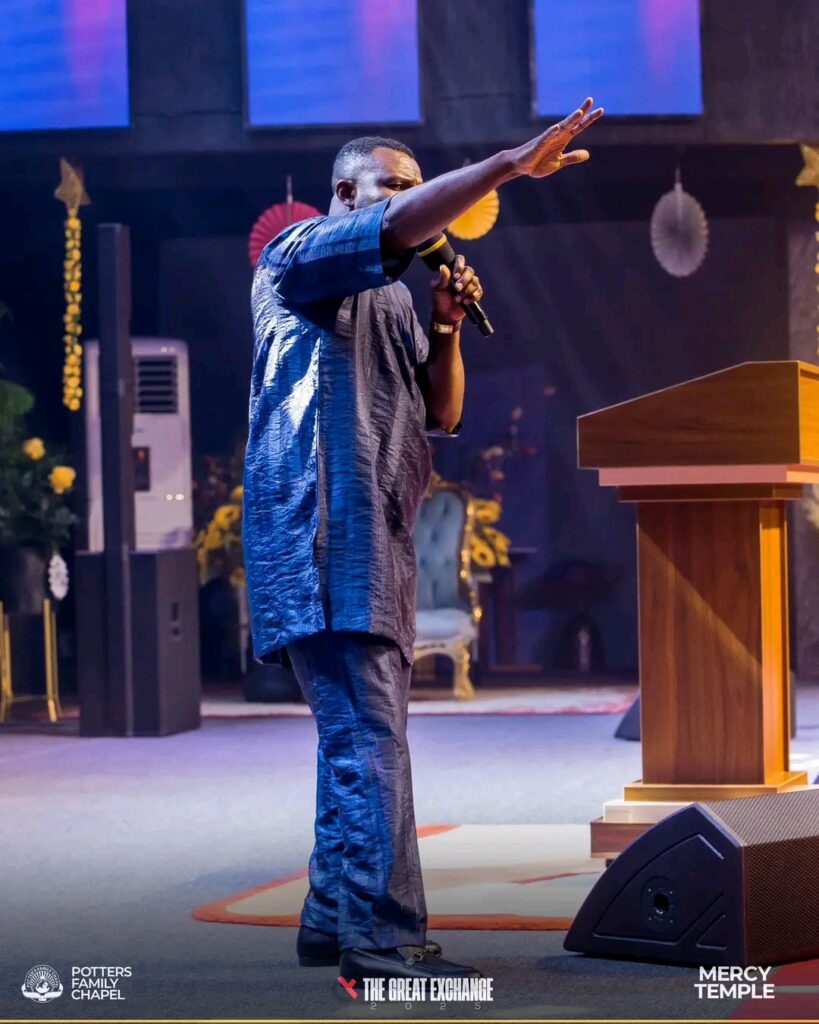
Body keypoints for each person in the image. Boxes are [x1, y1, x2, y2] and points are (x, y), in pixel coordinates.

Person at [242, 97, 603, 982]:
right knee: (371, 738)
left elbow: (441, 410)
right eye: (392, 186)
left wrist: (443, 322)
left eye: (415, 183)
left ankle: (331, 917)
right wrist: (507, 165)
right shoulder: (296, 255)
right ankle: (383, 943)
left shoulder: (394, 299)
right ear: (343, 195)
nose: (411, 198)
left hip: (377, 538)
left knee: (355, 735)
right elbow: (398, 226)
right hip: (324, 535)